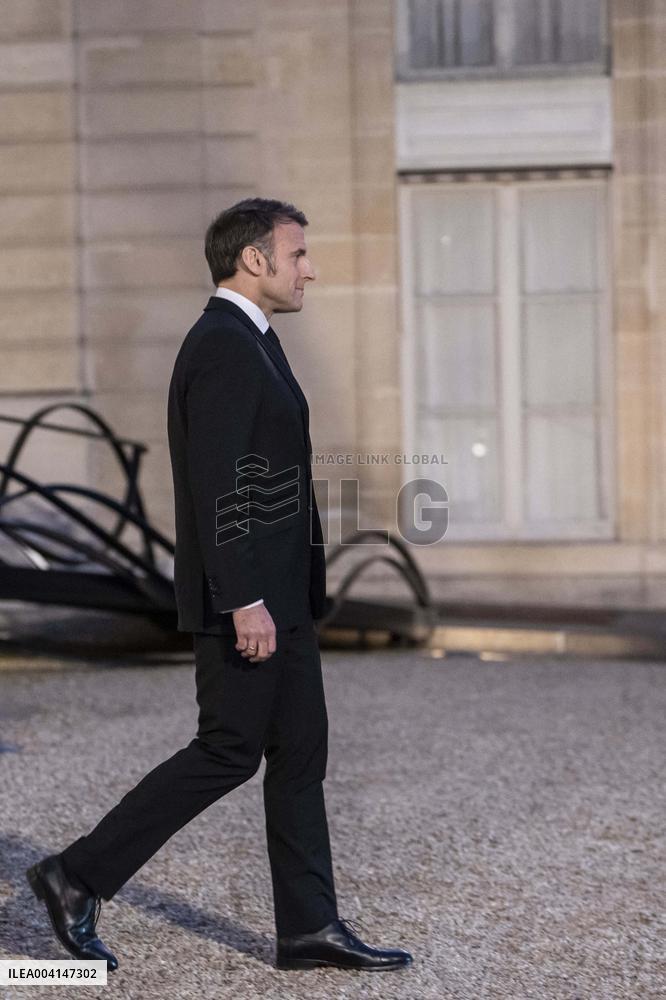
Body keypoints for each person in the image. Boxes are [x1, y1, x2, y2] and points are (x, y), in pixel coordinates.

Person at [25, 198, 413, 973]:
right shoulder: (223, 346)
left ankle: (309, 927)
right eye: (297, 254)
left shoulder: (255, 340)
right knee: (229, 749)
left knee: (300, 754)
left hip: (284, 597)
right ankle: (75, 875)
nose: (310, 270)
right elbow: (219, 482)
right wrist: (243, 599)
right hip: (252, 600)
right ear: (254, 259)